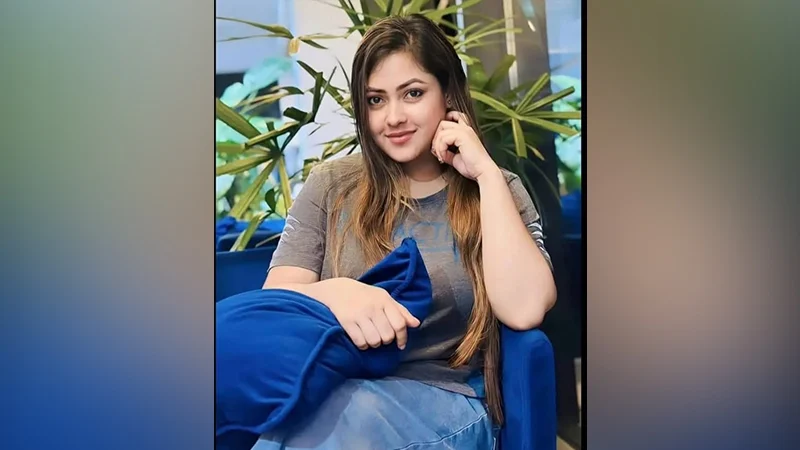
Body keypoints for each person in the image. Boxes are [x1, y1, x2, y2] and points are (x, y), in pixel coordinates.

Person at [256, 13, 556, 450]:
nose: (393, 117)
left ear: (447, 93)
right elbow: (277, 302)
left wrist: (486, 176)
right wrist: (336, 293)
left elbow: (525, 309)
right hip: (335, 388)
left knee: (347, 426)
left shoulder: (497, 189)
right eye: (375, 100)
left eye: (412, 93)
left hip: (446, 398)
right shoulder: (331, 185)